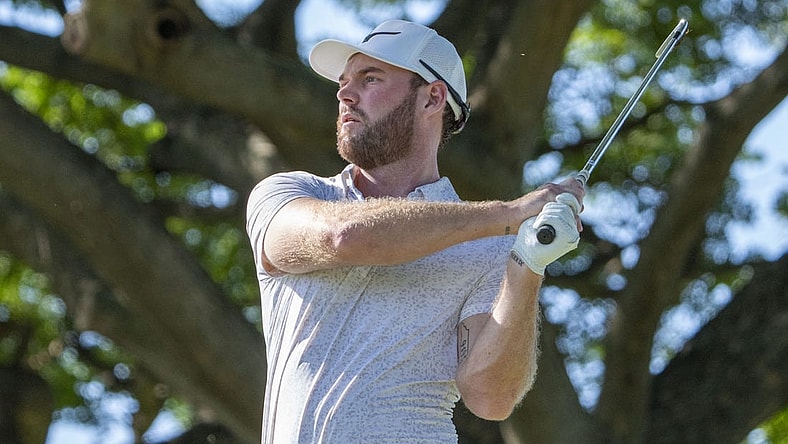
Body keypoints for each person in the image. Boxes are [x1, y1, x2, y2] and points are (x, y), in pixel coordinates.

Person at [246, 19, 584, 443]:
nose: (345, 94)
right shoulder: (288, 194)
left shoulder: (490, 243)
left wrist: (528, 264)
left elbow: (490, 398)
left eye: (370, 79)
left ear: (433, 97)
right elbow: (343, 238)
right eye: (344, 82)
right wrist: (510, 213)